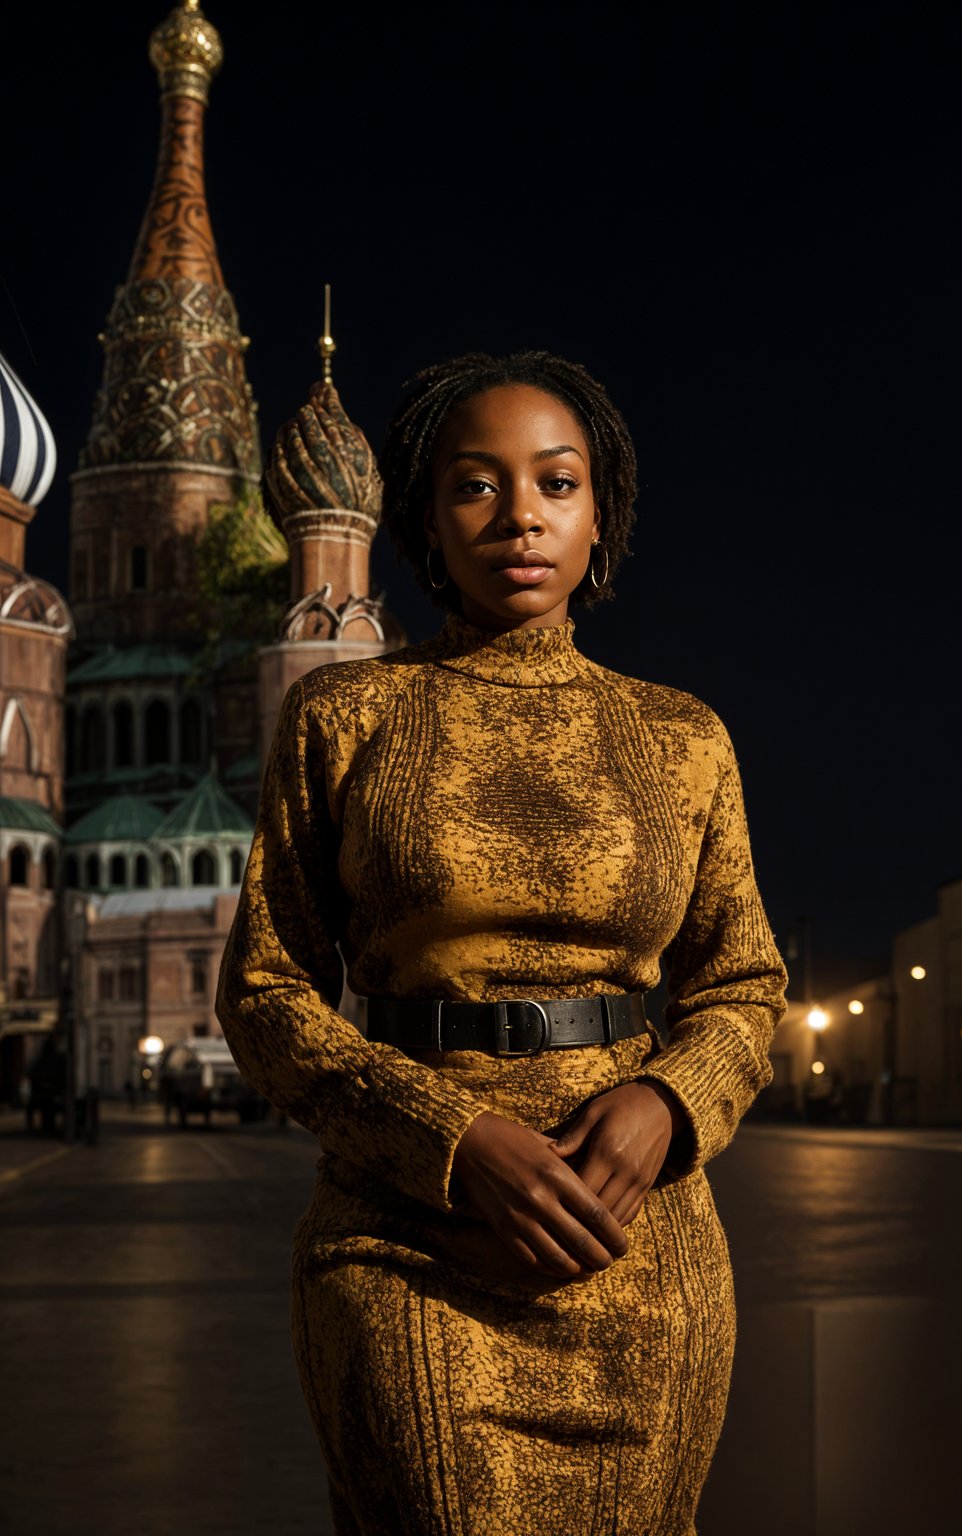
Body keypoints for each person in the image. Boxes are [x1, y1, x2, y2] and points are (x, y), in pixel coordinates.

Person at [216, 351, 787, 1536]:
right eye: (475, 485)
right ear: (426, 520)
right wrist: (450, 1134)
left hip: (636, 1240)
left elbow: (742, 982)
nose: (519, 513)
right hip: (405, 1240)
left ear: (599, 514)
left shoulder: (682, 736)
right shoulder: (343, 715)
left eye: (556, 482)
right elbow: (267, 991)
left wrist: (668, 1105)